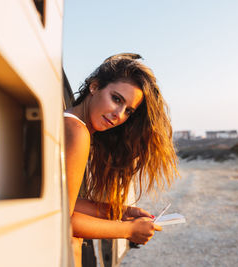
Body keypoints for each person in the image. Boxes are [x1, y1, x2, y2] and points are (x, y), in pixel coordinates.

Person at [64, 53, 178, 266]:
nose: (119, 114)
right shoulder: (77, 132)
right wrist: (130, 230)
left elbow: (62, 204)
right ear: (95, 87)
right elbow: (63, 220)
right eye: (116, 99)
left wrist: (120, 212)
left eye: (128, 111)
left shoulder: (69, 123)